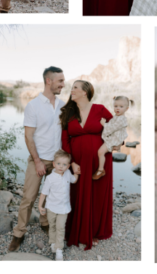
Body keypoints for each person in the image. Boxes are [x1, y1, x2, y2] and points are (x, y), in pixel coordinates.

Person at [8, 67, 66, 252]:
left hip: (57, 162)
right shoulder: (33, 105)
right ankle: (19, 233)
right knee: (28, 198)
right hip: (38, 160)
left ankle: (44, 222)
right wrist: (38, 161)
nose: (63, 84)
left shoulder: (63, 105)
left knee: (52, 195)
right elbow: (28, 137)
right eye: (60, 81)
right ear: (49, 81)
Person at [61, 80, 117, 251]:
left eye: (75, 87)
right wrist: (71, 162)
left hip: (100, 161)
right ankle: (75, 230)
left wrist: (114, 142)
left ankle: (94, 231)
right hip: (77, 162)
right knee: (76, 193)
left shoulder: (100, 109)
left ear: (85, 92)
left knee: (97, 194)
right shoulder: (68, 112)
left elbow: (117, 128)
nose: (72, 90)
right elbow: (64, 139)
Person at [38, 150, 79, 261]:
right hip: (51, 207)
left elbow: (74, 180)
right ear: (54, 164)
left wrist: (76, 173)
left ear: (68, 166)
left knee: (60, 228)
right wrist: (40, 206)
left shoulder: (67, 174)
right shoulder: (50, 178)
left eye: (64, 164)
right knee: (52, 226)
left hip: (63, 208)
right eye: (59, 164)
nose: (61, 167)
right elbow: (44, 193)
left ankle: (59, 249)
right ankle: (52, 242)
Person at [94, 96, 130, 180]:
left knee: (100, 152)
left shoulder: (122, 119)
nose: (118, 108)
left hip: (114, 140)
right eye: (116, 106)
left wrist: (103, 123)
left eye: (121, 107)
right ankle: (101, 168)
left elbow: (112, 128)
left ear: (126, 108)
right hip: (113, 138)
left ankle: (100, 170)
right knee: (101, 152)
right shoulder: (117, 117)